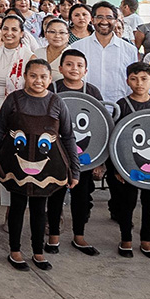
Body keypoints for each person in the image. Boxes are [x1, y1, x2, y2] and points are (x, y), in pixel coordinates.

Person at [0, 58, 78, 271]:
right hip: (16, 165)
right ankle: (14, 251)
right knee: (17, 207)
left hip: (45, 167)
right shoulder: (14, 100)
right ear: (25, 77)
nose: (38, 80)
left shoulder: (57, 102)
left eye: (43, 77)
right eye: (33, 76)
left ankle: (38, 251)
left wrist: (74, 170)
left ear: (50, 79)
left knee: (40, 209)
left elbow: (68, 137)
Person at [47, 49, 103, 255]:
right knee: (55, 196)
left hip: (85, 157)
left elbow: (100, 126)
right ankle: (53, 236)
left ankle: (79, 235)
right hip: (56, 154)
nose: (74, 69)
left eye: (79, 65)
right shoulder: (52, 89)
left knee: (82, 197)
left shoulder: (92, 92)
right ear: (60, 68)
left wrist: (100, 160)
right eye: (69, 64)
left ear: (85, 70)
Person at [109, 62, 150, 260]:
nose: (139, 83)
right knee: (127, 203)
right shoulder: (122, 104)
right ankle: (125, 239)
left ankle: (146, 241)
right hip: (128, 164)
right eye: (134, 79)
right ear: (127, 81)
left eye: (144, 79)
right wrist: (117, 167)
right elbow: (116, 138)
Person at [72, 2, 139, 103]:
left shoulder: (130, 50)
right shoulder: (77, 47)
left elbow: (133, 79)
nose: (104, 21)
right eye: (99, 17)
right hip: (86, 105)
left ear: (116, 21)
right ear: (92, 20)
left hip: (119, 106)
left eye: (109, 17)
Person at [0, 14, 36, 103]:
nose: (9, 33)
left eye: (14, 30)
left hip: (17, 105)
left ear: (22, 33)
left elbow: (31, 90)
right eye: (5, 29)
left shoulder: (30, 58)